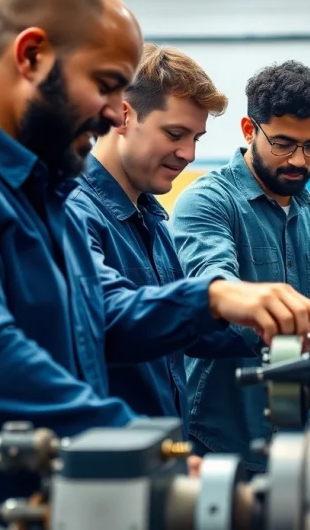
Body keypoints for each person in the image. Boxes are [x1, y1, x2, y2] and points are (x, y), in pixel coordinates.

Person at [0, 0, 310, 511]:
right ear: (31, 56)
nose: (112, 113)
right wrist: (143, 447)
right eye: (105, 86)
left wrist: (215, 300)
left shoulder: (41, 191)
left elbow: (100, 315)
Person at [172, 60, 310, 472]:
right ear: (249, 130)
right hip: (219, 437)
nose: (299, 160)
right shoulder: (207, 203)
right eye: (284, 144)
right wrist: (293, 333)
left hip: (303, 438)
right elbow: (214, 288)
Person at [68, 43, 253, 436]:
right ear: (121, 115)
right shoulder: (75, 212)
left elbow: (178, 329)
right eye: (175, 134)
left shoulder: (152, 220)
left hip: (161, 454)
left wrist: (268, 328)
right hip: (108, 459)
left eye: (196, 138)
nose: (188, 153)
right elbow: (107, 317)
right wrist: (216, 296)